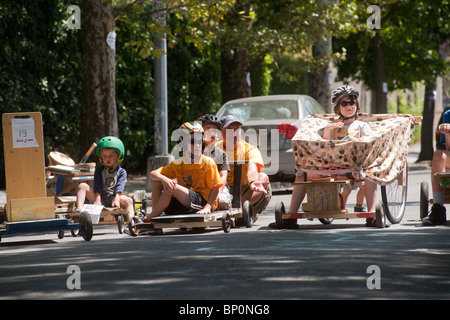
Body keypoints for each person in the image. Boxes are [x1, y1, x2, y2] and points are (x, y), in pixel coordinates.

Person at [285, 85, 377, 226]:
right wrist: (328, 130)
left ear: (356, 106)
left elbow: (368, 144)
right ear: (338, 108)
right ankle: (291, 215)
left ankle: (372, 214)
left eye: (352, 103)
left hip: (353, 168)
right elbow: (324, 148)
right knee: (301, 172)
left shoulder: (361, 126)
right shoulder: (331, 126)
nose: (349, 106)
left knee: (371, 171)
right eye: (344, 103)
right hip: (329, 166)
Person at [146, 122, 223, 219]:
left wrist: (208, 207)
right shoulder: (178, 163)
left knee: (172, 187)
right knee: (158, 181)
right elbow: (153, 174)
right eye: (193, 141)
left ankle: (150, 218)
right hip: (184, 204)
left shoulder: (208, 162)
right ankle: (154, 214)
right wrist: (164, 179)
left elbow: (215, 188)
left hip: (203, 204)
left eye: (200, 141)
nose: (197, 145)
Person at [216, 115, 272, 220]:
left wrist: (252, 182)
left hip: (244, 190)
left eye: (237, 129)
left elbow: (252, 169)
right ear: (220, 133)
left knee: (263, 178)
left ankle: (239, 211)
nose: (234, 134)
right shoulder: (214, 149)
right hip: (222, 189)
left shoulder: (250, 149)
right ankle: (224, 210)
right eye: (229, 130)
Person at [75, 136, 134, 220]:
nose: (107, 159)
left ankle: (132, 223)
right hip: (99, 198)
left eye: (111, 156)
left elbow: (120, 187)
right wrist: (97, 200)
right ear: (101, 157)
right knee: (83, 185)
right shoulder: (99, 170)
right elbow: (97, 186)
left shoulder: (121, 172)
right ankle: (79, 211)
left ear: (118, 156)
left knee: (129, 200)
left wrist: (117, 199)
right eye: (104, 156)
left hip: (114, 197)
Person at [199, 114, 232, 209]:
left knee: (222, 203)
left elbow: (223, 176)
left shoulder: (221, 154)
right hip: (199, 186)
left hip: (218, 187)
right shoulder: (194, 151)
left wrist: (218, 192)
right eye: (207, 129)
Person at [422, 109, 450, 226]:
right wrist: (448, 133)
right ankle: (438, 208)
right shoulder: (448, 115)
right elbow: (448, 147)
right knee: (439, 155)